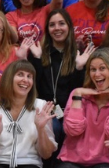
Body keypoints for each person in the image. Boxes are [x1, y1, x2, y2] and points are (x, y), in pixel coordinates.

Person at [17, 9, 91, 147]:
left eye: (61, 23)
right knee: (54, 127)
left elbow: (81, 91)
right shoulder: (39, 53)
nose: (57, 28)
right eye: (52, 25)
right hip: (43, 109)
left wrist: (79, 68)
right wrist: (37, 60)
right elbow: (33, 87)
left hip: (71, 109)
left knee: (71, 127)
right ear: (47, 29)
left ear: (69, 26)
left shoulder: (79, 54)